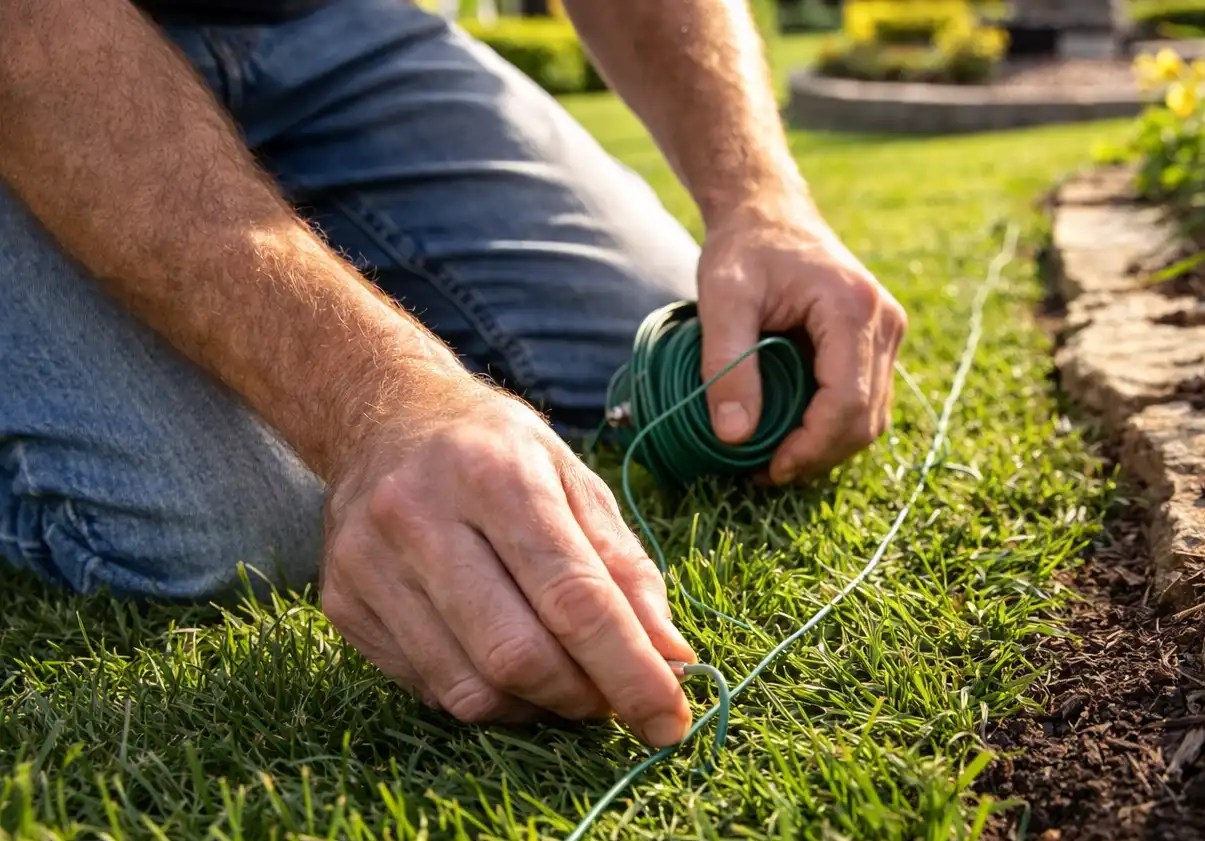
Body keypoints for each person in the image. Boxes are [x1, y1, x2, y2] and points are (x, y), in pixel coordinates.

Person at [0, 0, 905, 748]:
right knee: (240, 530)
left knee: (674, 351)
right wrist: (377, 400)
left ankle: (277, 234)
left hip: (322, 22)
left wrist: (762, 202)